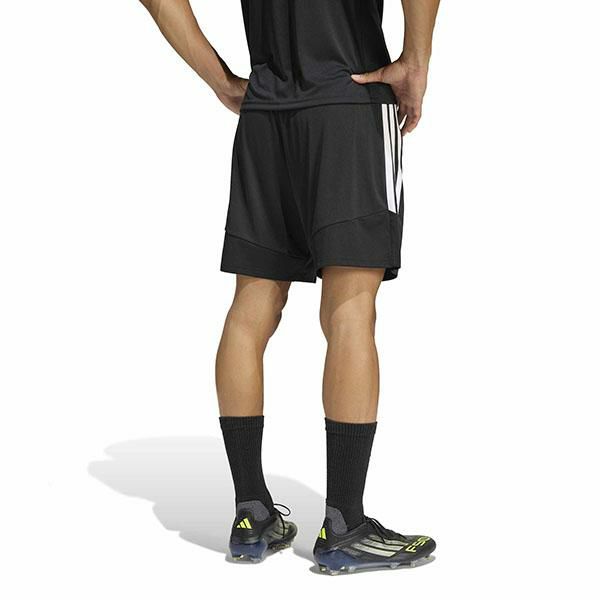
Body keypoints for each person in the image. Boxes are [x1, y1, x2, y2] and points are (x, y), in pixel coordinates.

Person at [138, 0, 440, 575]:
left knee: (250, 308)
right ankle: (344, 525)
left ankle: (251, 513)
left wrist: (220, 79)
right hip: (350, 100)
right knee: (350, 311)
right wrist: (416, 60)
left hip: (266, 112)